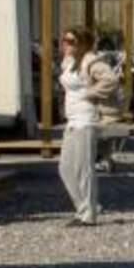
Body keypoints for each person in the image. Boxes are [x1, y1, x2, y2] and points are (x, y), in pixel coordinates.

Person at [57, 27, 117, 226]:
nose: (65, 44)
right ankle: (85, 206)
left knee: (84, 168)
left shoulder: (91, 61)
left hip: (86, 119)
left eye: (70, 41)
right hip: (72, 120)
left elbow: (111, 80)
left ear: (82, 43)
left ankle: (88, 214)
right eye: (64, 40)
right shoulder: (68, 61)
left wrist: (90, 93)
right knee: (65, 168)